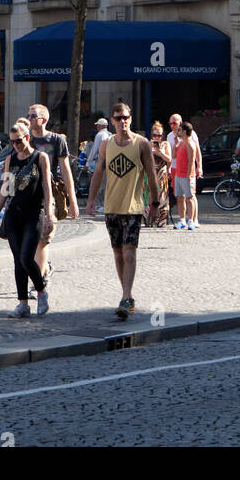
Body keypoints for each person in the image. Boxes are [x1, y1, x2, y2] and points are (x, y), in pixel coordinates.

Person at [86, 102, 160, 320]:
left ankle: (126, 297)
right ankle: (126, 294)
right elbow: (99, 172)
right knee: (118, 253)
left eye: (125, 117)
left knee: (129, 251)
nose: (122, 121)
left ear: (131, 118)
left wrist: (155, 203)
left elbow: (151, 175)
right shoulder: (106, 144)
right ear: (112, 121)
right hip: (112, 206)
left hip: (134, 207)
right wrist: (90, 200)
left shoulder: (142, 144)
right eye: (118, 118)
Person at [0, 118, 54, 317]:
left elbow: (47, 187)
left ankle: (41, 291)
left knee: (27, 257)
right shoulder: (10, 160)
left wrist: (50, 214)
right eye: (12, 142)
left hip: (34, 213)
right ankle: (23, 303)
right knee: (18, 260)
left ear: (27, 137)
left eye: (18, 140)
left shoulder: (40, 157)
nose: (15, 145)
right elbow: (5, 189)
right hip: (14, 214)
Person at [26, 104, 79, 295]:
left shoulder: (56, 140)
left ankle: (37, 284)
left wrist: (72, 201)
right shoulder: (25, 138)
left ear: (44, 120)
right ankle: (45, 269)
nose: (29, 118)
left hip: (50, 194)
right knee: (30, 241)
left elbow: (65, 171)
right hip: (28, 195)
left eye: (33, 115)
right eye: (28, 115)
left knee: (43, 239)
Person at [167, 113, 203, 225]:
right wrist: (168, 168)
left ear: (180, 124)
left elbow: (197, 152)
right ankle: (182, 219)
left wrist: (199, 166)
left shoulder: (191, 135)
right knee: (179, 196)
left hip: (188, 170)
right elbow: (172, 155)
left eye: (175, 123)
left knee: (191, 195)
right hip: (175, 168)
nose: (172, 125)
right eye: (170, 123)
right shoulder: (170, 136)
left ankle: (194, 219)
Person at [173, 122, 197, 230]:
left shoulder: (190, 144)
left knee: (189, 198)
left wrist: (189, 175)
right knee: (180, 198)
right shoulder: (181, 143)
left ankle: (191, 221)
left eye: (180, 130)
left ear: (184, 131)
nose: (178, 132)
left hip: (186, 175)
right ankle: (182, 220)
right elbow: (174, 156)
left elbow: (191, 161)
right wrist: (175, 143)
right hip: (178, 174)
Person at [148, 121, 172, 227]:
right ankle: (149, 219)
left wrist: (159, 153)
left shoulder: (165, 144)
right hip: (150, 173)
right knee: (150, 195)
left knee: (162, 196)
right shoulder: (148, 144)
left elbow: (169, 159)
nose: (157, 137)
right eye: (155, 135)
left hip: (162, 173)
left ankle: (161, 219)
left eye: (159, 135)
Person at [86, 117, 112, 210]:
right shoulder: (110, 135)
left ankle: (100, 205)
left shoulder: (99, 135)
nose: (97, 127)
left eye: (97, 125)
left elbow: (94, 149)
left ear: (100, 126)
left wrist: (88, 164)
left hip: (100, 160)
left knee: (98, 183)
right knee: (106, 183)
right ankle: (105, 204)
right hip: (109, 161)